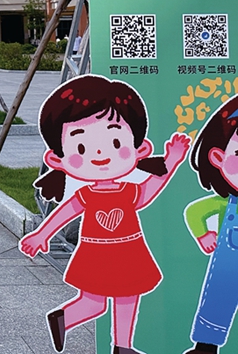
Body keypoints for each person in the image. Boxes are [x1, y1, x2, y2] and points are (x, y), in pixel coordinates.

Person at [20, 75, 190, 354]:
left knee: (128, 297)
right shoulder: (87, 194)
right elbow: (65, 212)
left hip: (128, 252)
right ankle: (63, 319)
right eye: (82, 147)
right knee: (95, 302)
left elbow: (149, 191)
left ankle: (122, 346)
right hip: (97, 254)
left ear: (140, 149)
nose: (100, 153)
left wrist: (171, 161)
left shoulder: (128, 190)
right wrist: (41, 234)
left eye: (115, 142)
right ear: (56, 159)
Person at [182, 95, 238, 354]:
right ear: (217, 157)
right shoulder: (224, 202)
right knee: (218, 298)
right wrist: (203, 235)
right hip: (230, 260)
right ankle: (206, 346)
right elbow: (195, 211)